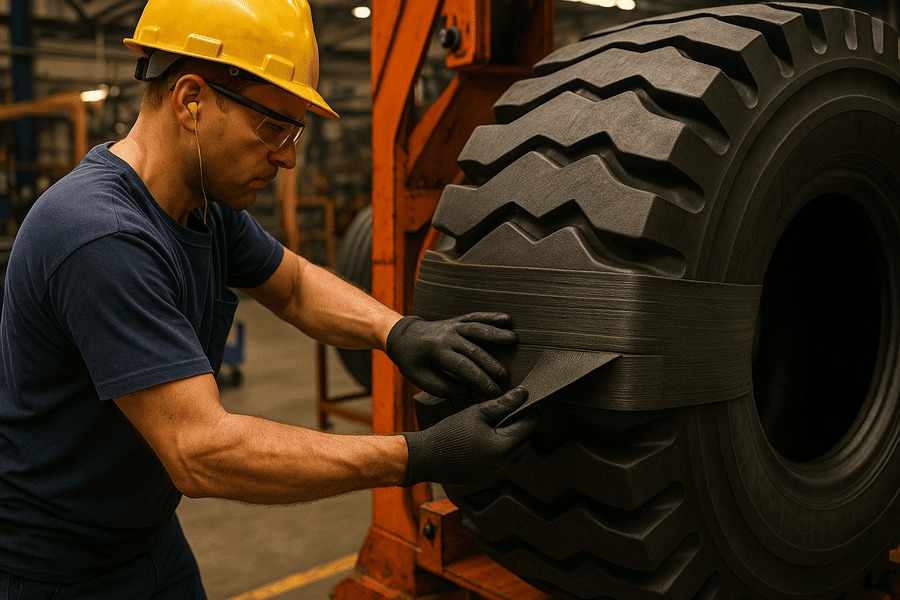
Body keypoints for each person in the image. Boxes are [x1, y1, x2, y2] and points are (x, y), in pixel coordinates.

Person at [0, 1, 536, 597]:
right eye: (274, 128)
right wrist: (418, 456)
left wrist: (398, 331)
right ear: (190, 99)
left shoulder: (201, 206)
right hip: (57, 568)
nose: (288, 158)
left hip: (146, 538)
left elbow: (296, 286)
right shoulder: (99, 235)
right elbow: (200, 449)